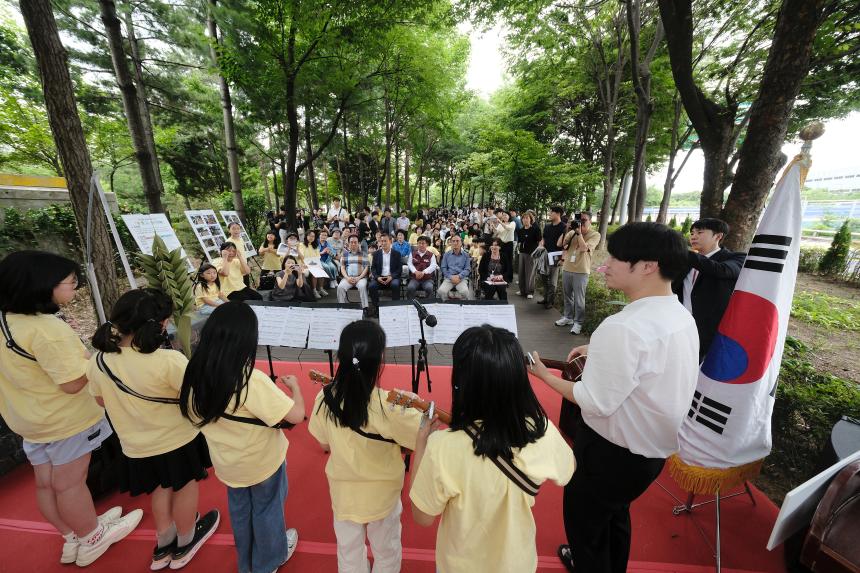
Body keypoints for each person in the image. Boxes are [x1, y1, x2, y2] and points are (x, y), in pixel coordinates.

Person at [528, 222, 699, 573]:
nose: (604, 266)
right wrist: (597, 348)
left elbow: (593, 401)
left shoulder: (623, 327)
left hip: (609, 454)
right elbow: (647, 358)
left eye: (616, 259)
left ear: (648, 266)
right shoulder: (679, 314)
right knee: (615, 513)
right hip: (649, 453)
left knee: (586, 528)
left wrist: (544, 376)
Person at [0, 251, 142, 567]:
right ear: (41, 286)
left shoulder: (6, 321)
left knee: (46, 483)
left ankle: (72, 535)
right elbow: (73, 383)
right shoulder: (46, 330)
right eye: (70, 282)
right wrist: (101, 359)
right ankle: (92, 537)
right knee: (70, 484)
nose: (75, 288)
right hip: (66, 421)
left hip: (31, 421)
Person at [409, 325, 575, 573]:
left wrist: (421, 444)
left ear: (462, 383)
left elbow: (422, 517)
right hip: (518, 563)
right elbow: (568, 468)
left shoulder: (442, 446)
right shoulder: (542, 430)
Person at [88, 289, 220, 570]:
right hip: (177, 440)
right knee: (184, 487)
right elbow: (195, 398)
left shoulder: (98, 361)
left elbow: (100, 400)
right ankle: (185, 541)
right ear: (160, 323)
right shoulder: (168, 360)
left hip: (135, 445)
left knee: (159, 488)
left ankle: (164, 543)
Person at [180, 302, 305, 573]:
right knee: (267, 508)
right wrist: (295, 388)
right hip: (261, 462)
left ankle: (246, 561)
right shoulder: (249, 379)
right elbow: (296, 416)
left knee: (240, 511)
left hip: (227, 463)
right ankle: (267, 562)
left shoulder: (194, 375)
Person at [308, 321, 423, 573]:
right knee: (387, 550)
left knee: (348, 551)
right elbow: (419, 441)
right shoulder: (392, 407)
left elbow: (323, 442)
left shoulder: (324, 397)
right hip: (382, 495)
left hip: (343, 493)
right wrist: (417, 408)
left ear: (341, 356)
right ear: (379, 359)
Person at [671, 218, 746, 361]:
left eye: (700, 232)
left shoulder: (736, 258)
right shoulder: (686, 260)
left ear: (718, 236)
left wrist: (683, 252)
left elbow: (720, 270)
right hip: (679, 325)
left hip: (711, 332)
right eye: (692, 233)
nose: (693, 236)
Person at [555, 211, 601, 335]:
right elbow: (560, 244)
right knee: (567, 296)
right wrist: (567, 229)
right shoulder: (572, 232)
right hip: (567, 268)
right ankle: (568, 317)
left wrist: (579, 233)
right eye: (579, 219)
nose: (581, 222)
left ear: (590, 221)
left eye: (584, 220)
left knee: (579, 299)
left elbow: (584, 248)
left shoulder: (595, 234)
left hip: (581, 271)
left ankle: (578, 323)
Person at [538, 206, 567, 308]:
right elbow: (544, 239)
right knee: (544, 277)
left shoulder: (564, 227)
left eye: (551, 212)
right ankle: (545, 298)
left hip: (556, 256)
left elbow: (565, 244)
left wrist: (562, 259)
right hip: (545, 254)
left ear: (558, 214)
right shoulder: (547, 226)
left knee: (553, 280)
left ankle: (550, 301)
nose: (549, 214)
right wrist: (541, 244)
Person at [337, 235, 370, 312]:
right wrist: (347, 278)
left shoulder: (364, 254)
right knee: (340, 287)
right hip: (348, 278)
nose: (353, 244)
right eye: (351, 242)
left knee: (362, 286)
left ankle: (365, 308)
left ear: (358, 243)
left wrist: (359, 278)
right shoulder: (344, 255)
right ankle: (342, 307)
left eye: (355, 242)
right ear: (348, 243)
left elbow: (366, 268)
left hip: (360, 278)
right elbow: (342, 268)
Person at [369, 234, 402, 307]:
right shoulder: (376, 254)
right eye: (382, 241)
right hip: (380, 277)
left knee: (395, 285)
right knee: (371, 286)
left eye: (385, 241)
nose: (383, 243)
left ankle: (395, 307)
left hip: (392, 278)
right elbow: (373, 268)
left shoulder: (397, 254)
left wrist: (391, 277)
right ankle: (376, 307)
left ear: (390, 242)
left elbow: (399, 269)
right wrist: (377, 277)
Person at [437, 235, 473, 300]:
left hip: (461, 278)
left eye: (457, 241)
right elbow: (443, 268)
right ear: (451, 243)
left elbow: (467, 269)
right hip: (449, 278)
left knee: (465, 292)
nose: (455, 243)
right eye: (453, 241)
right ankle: (450, 299)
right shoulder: (446, 255)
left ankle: (455, 297)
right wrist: (451, 277)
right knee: (441, 292)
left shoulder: (466, 255)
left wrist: (459, 276)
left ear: (461, 243)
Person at [516, 211, 542, 299]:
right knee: (521, 272)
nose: (525, 220)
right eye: (523, 218)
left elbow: (540, 241)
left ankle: (530, 291)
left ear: (531, 219)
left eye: (527, 218)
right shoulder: (520, 230)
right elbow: (520, 241)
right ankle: (522, 290)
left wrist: (538, 252)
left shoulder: (535, 229)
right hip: (522, 252)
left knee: (530, 273)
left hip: (531, 253)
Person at [301, 229, 326, 298]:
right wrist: (305, 264)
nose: (311, 238)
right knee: (315, 271)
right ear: (306, 236)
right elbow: (301, 256)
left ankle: (321, 289)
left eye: (313, 236)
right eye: (310, 236)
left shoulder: (315, 245)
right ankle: (314, 290)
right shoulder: (301, 245)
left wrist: (317, 264)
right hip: (305, 264)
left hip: (313, 263)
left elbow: (318, 256)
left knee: (322, 269)